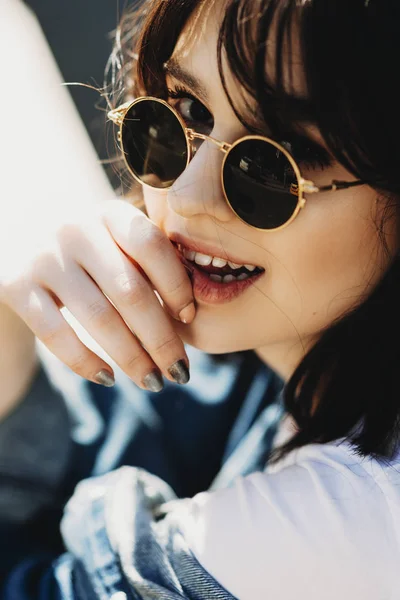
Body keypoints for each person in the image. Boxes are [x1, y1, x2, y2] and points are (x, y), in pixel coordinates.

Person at [1, 0, 400, 598]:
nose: (187, 196)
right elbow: (148, 425)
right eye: (185, 112)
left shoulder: (344, 517)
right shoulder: (297, 349)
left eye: (271, 165)